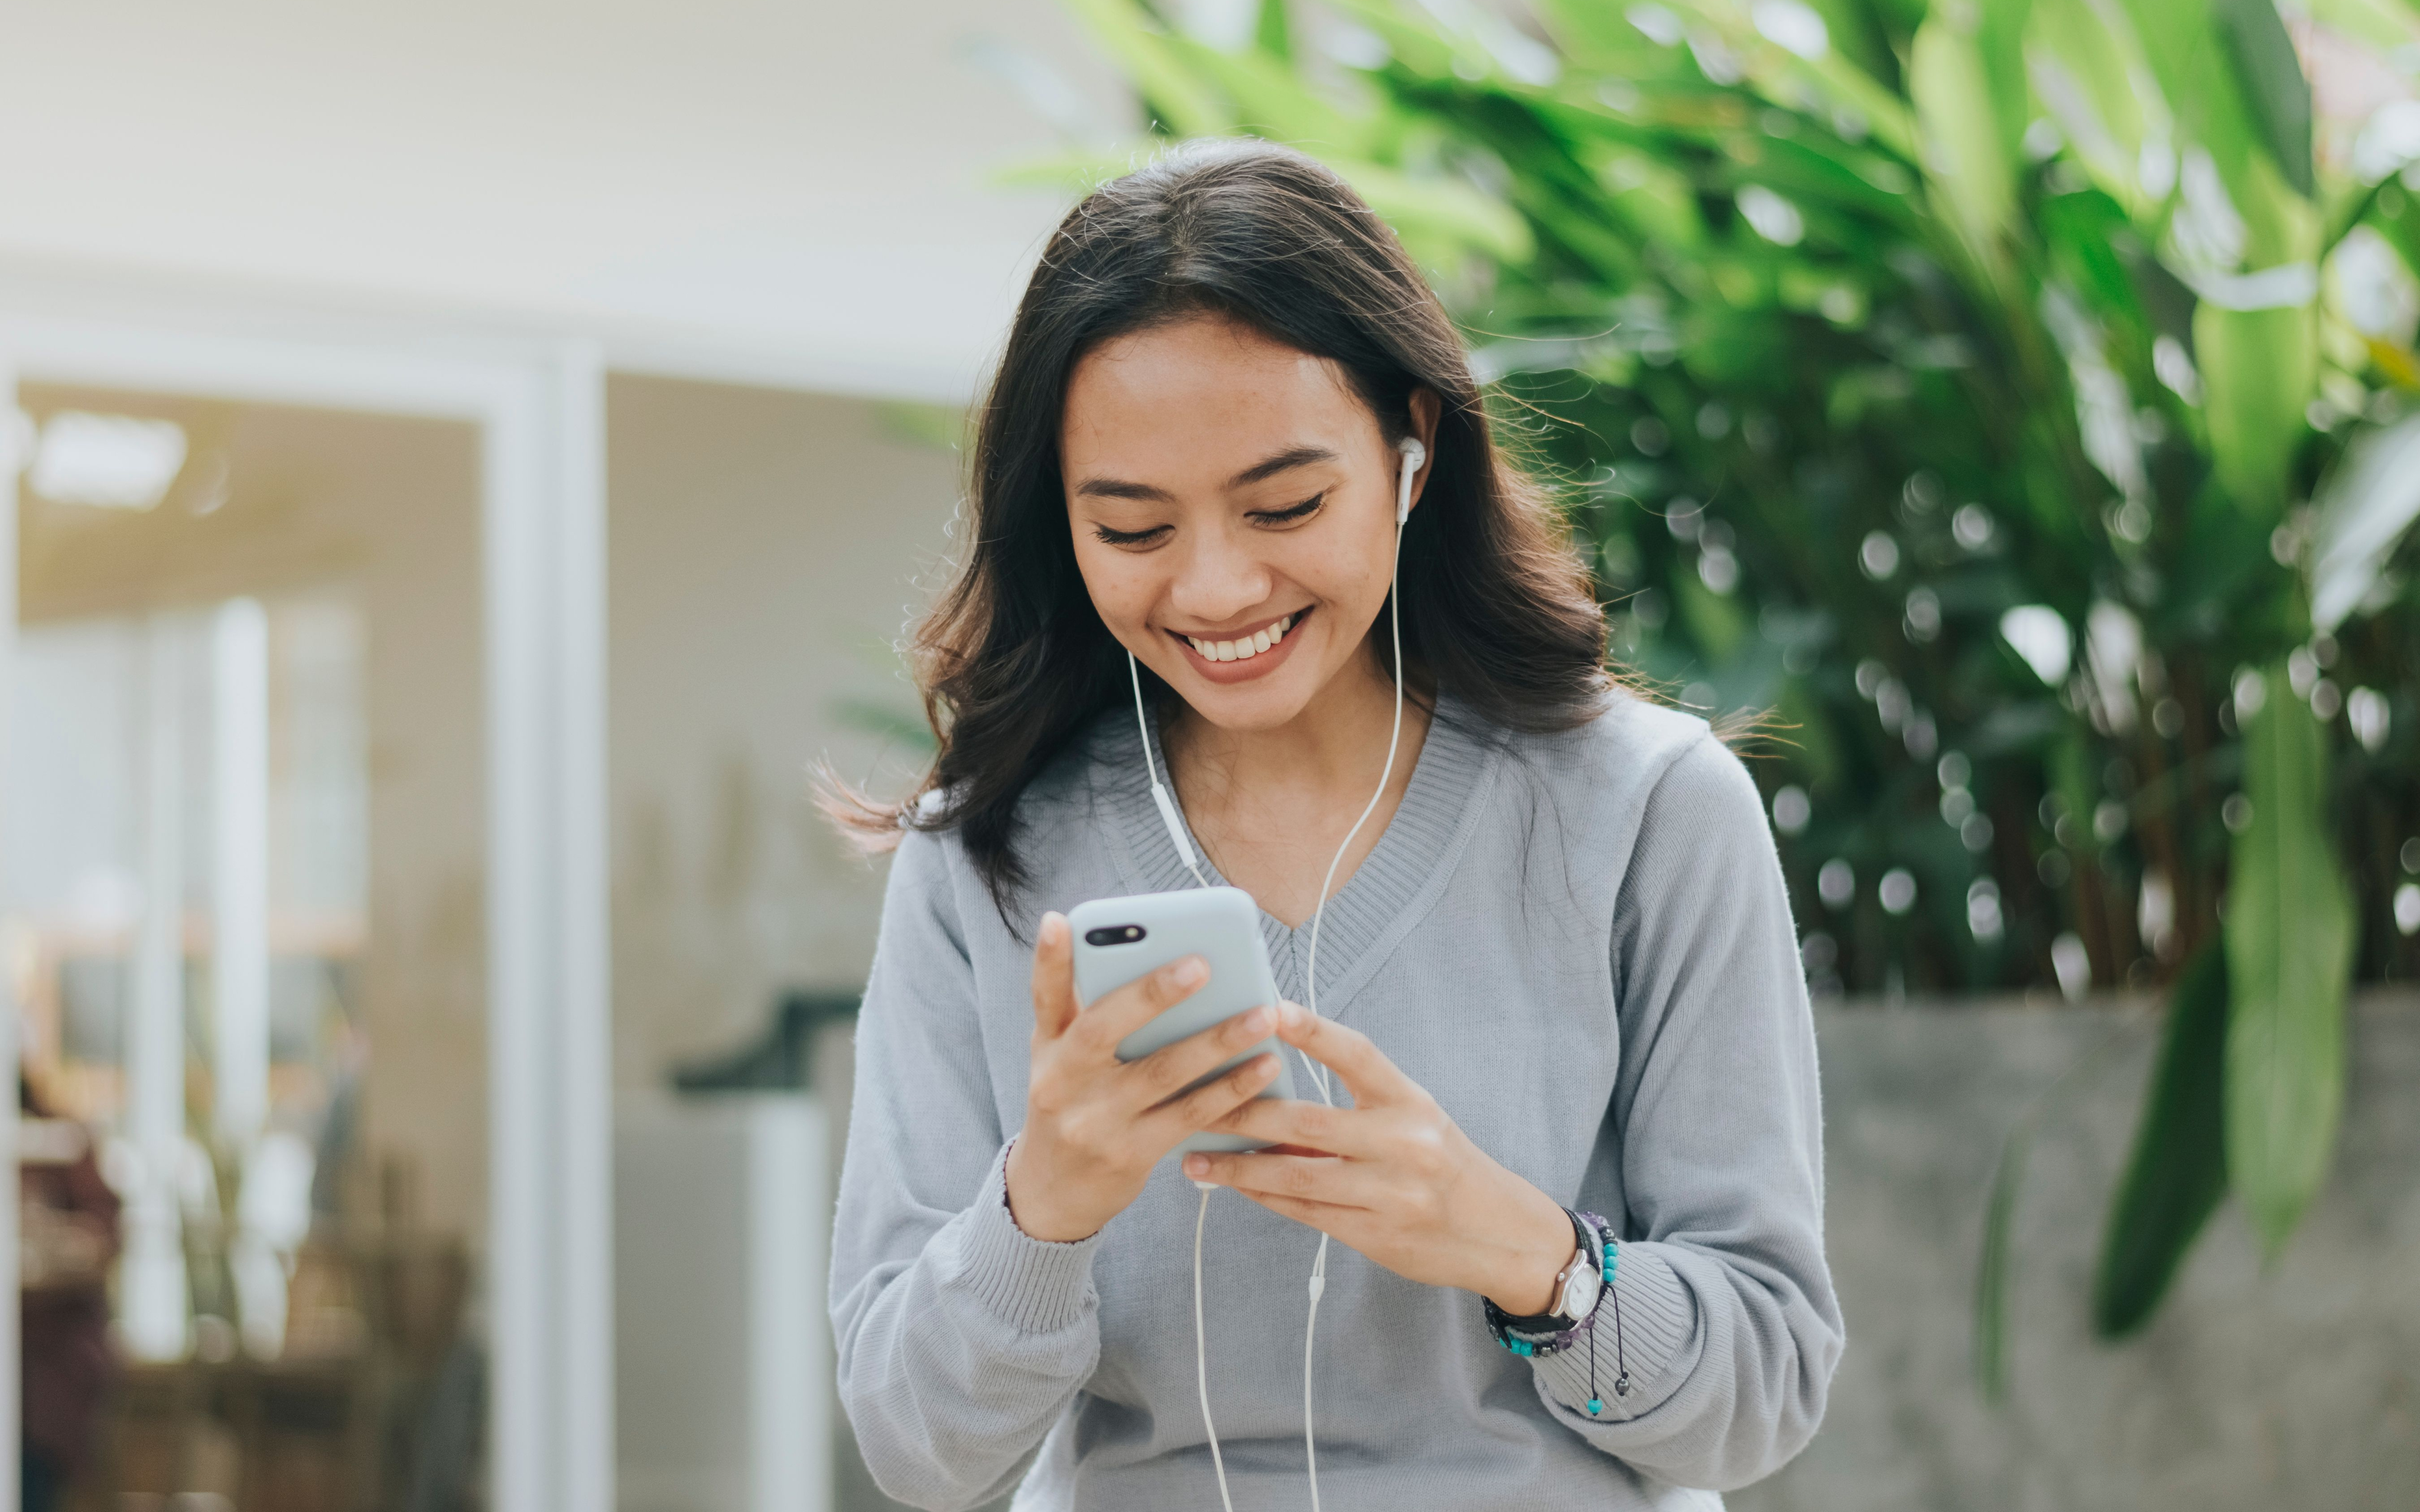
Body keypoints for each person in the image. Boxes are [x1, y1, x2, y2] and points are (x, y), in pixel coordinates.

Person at [827, 138, 1840, 1512]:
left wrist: (1526, 1252)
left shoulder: (1650, 813)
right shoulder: (982, 854)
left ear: (1411, 451)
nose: (1216, 585)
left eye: (1284, 504)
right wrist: (1042, 1202)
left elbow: (1759, 1399)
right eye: (1130, 528)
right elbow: (918, 1453)